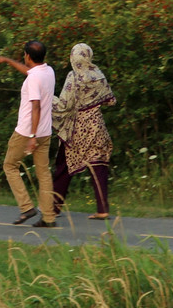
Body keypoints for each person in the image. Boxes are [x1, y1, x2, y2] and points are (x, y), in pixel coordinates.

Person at [0, 41, 57, 227]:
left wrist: (32, 136)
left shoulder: (34, 79)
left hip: (28, 132)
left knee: (10, 166)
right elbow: (29, 71)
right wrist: (6, 60)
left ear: (27, 55)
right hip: (46, 131)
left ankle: (27, 207)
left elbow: (35, 106)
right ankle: (49, 218)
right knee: (43, 173)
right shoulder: (48, 71)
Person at [52, 43, 116, 219]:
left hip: (77, 129)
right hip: (97, 126)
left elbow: (65, 104)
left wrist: (47, 98)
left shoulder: (74, 76)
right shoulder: (98, 75)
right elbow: (111, 101)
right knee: (98, 165)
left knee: (64, 166)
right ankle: (103, 209)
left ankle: (54, 207)